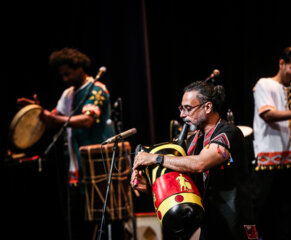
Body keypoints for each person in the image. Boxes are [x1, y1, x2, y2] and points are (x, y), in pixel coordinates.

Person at [131, 80, 257, 240]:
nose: (182, 115)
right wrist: (150, 185)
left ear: (208, 107)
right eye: (181, 108)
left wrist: (155, 158)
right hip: (209, 224)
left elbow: (200, 164)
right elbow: (181, 181)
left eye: (188, 109)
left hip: (234, 224)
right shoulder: (192, 141)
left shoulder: (229, 133)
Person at [17, 47, 115, 240]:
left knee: (100, 225)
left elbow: (87, 120)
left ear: (79, 67)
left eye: (68, 74)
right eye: (62, 75)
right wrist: (37, 111)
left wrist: (52, 118)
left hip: (98, 170)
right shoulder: (68, 94)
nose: (65, 79)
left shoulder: (96, 89)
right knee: (78, 228)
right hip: (75, 172)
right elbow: (54, 118)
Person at [252, 46, 291, 240]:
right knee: (262, 208)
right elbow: (267, 114)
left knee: (286, 212)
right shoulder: (264, 84)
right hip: (267, 158)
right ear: (281, 63)